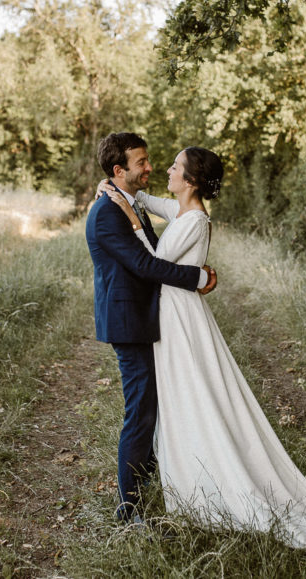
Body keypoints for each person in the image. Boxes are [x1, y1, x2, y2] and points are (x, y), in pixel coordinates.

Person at [97, 145, 306, 563]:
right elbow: (149, 200)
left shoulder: (194, 220)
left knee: (195, 393)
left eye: (175, 166)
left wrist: (132, 222)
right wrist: (117, 188)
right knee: (180, 397)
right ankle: (182, 473)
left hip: (180, 317)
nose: (166, 169)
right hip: (173, 313)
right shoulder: (182, 210)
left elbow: (155, 261)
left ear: (191, 180)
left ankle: (208, 476)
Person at [85, 132, 217, 524]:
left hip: (148, 318)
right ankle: (128, 508)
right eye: (141, 162)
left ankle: (153, 484)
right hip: (129, 323)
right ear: (118, 170)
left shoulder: (127, 202)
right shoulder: (108, 213)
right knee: (141, 411)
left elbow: (158, 249)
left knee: (155, 406)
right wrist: (196, 277)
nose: (151, 167)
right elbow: (146, 265)